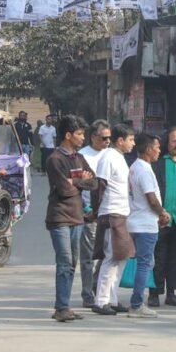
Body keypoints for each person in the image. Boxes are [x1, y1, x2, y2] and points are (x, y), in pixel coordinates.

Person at [45, 115, 98, 322]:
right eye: (79, 134)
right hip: (59, 217)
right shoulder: (55, 159)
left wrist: (74, 181)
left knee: (72, 262)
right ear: (68, 135)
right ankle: (61, 308)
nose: (83, 137)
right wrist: (79, 180)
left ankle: (64, 305)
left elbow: (94, 182)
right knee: (65, 261)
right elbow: (64, 190)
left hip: (77, 217)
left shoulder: (79, 157)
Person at [91, 124, 136, 316]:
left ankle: (112, 298)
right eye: (130, 139)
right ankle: (101, 301)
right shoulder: (109, 157)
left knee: (122, 257)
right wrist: (95, 211)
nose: (133, 144)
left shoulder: (120, 158)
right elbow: (99, 186)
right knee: (111, 258)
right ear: (120, 140)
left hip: (122, 213)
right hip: (111, 214)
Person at [125, 132, 170, 318]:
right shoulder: (143, 169)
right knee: (145, 264)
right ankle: (136, 304)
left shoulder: (136, 167)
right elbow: (151, 198)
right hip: (144, 223)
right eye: (157, 147)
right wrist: (162, 213)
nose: (159, 151)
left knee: (143, 263)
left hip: (137, 221)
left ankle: (136, 302)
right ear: (148, 149)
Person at [150, 127, 176, 308]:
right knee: (158, 257)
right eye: (174, 141)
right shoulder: (157, 164)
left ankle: (171, 293)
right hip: (160, 219)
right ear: (167, 143)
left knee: (175, 258)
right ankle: (154, 293)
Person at [79, 120, 111, 309]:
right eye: (103, 138)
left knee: (108, 254)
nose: (107, 141)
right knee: (88, 255)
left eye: (110, 138)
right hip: (89, 212)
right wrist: (87, 210)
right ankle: (87, 293)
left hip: (110, 212)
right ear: (93, 137)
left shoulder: (113, 155)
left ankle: (97, 286)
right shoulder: (82, 156)